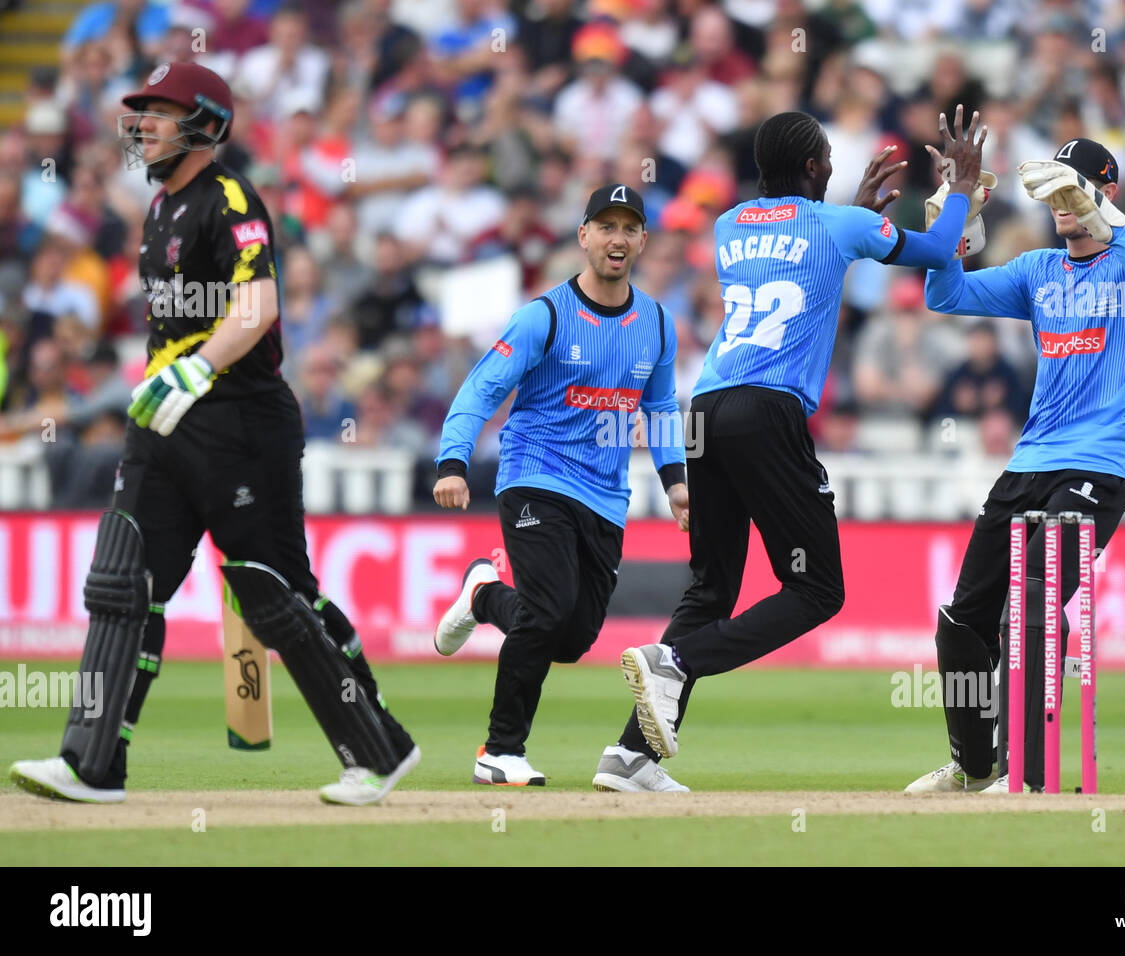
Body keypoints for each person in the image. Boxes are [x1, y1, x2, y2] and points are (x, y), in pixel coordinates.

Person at [8, 63, 419, 807]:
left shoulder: (230, 198)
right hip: (165, 422)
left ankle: (377, 747)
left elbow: (256, 307)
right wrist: (161, 384)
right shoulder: (159, 209)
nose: (143, 127)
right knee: (122, 584)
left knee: (277, 594)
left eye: (159, 114)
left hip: (242, 423)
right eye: (141, 115)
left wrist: (192, 373)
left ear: (204, 123)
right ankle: (92, 763)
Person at [612, 108, 987, 782]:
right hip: (766, 413)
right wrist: (960, 185)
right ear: (815, 168)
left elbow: (796, 241)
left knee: (711, 588)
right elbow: (935, 251)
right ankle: (679, 662)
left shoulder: (728, 224)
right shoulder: (838, 225)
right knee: (817, 590)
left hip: (709, 406)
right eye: (827, 160)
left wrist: (851, 216)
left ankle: (632, 754)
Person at [906, 135, 1125, 793]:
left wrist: (1099, 208)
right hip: (1028, 463)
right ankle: (972, 766)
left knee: (1030, 605)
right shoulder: (1037, 270)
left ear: (1104, 193)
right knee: (964, 617)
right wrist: (961, 211)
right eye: (1051, 188)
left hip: (1098, 469)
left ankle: (1025, 769)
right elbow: (946, 294)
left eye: (1070, 187)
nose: (1057, 200)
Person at [431, 184, 691, 792]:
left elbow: (659, 409)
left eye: (629, 228)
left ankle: (484, 596)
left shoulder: (655, 322)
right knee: (547, 613)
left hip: (605, 496)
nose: (616, 239)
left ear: (643, 241)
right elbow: (481, 389)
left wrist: (676, 484)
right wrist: (452, 460)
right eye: (605, 226)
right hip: (535, 477)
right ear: (583, 236)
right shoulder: (542, 316)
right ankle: (499, 750)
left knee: (571, 638)